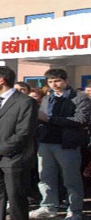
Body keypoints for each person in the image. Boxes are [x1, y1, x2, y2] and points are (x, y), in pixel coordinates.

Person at [29, 69, 90, 220]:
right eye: (50, 82)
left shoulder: (80, 98)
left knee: (71, 179)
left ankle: (74, 210)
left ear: (66, 80)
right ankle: (48, 207)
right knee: (45, 178)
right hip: (46, 143)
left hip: (67, 144)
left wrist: (49, 119)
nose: (54, 84)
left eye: (57, 81)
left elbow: (80, 120)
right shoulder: (46, 99)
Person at [0, 66, 38, 220]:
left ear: (1, 80)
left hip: (14, 159)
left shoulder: (26, 102)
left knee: (16, 198)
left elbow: (24, 132)